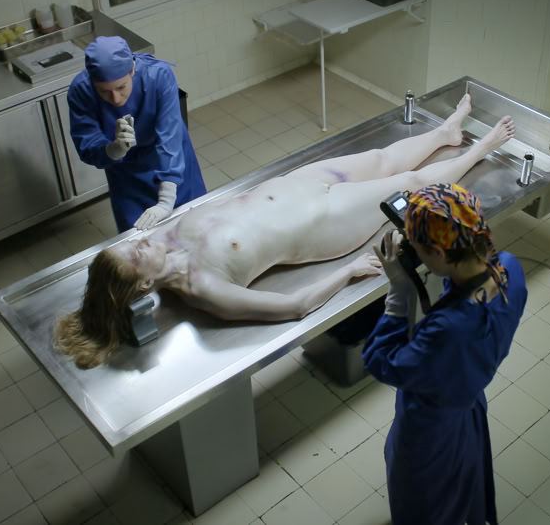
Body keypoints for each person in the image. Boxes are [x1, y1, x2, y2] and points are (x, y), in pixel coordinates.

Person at [53, 95, 517, 369]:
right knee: (410, 184)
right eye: (136, 255)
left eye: (130, 244)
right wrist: (347, 272)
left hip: (297, 185)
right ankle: (480, 150)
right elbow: (293, 307)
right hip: (326, 222)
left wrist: (161, 205)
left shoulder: (165, 237)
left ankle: (446, 135)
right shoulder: (203, 288)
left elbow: (168, 195)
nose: (139, 242)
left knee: (382, 159)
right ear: (145, 285)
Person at [362, 183, 527, 525]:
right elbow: (462, 289)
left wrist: (398, 289)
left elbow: (382, 361)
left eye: (420, 248)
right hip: (468, 404)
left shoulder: (447, 330)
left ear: (438, 252)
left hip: (429, 428)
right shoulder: (510, 270)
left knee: (425, 505)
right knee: (461, 483)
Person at [67, 36, 207, 233]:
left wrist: (166, 199)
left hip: (171, 160)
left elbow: (169, 134)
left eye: (121, 87)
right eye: (104, 92)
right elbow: (87, 143)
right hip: (126, 172)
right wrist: (114, 149)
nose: (115, 99)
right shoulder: (81, 90)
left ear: (132, 70)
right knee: (139, 240)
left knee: (195, 226)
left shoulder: (157, 75)